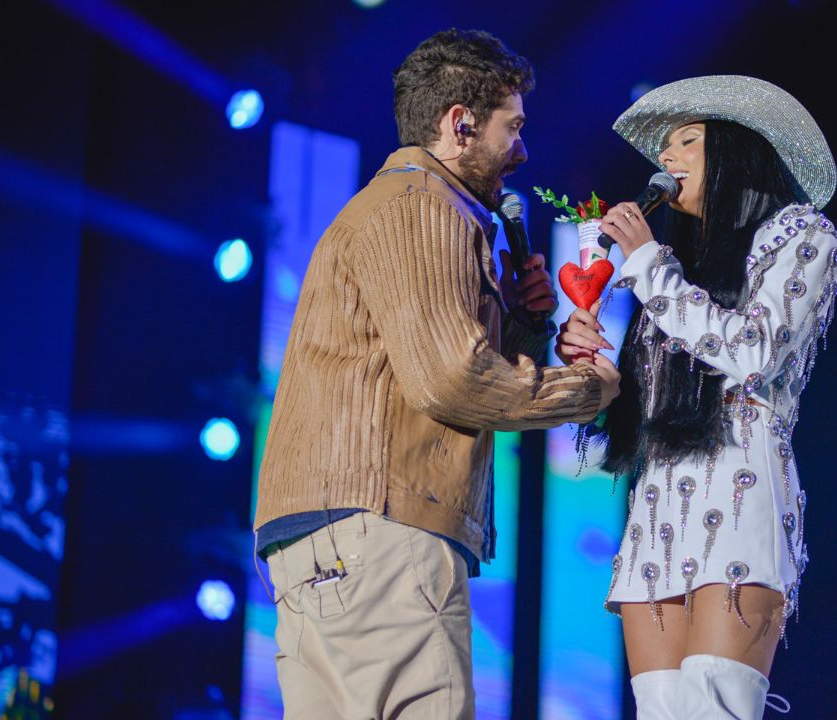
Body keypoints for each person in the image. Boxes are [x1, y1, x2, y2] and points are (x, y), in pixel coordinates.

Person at [253, 29, 619, 719]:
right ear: (460, 124)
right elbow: (452, 380)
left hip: (321, 537)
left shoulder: (381, 207)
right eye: (513, 128)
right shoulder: (428, 205)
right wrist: (587, 388)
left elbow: (409, 367)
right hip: (381, 529)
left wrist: (516, 321)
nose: (524, 150)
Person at [556, 75, 837, 717]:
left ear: (740, 149)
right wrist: (586, 364)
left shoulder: (803, 234)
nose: (666, 158)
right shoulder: (676, 271)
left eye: (687, 140)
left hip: (737, 497)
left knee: (714, 707)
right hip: (657, 504)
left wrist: (649, 267)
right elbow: (635, 411)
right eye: (663, 148)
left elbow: (755, 351)